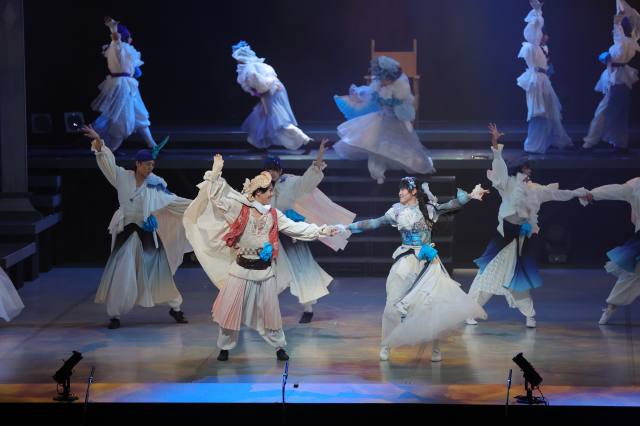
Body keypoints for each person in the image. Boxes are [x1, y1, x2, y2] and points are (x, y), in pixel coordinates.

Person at [183, 154, 341, 361]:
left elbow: (296, 228)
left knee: (270, 313)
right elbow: (217, 199)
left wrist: (322, 231)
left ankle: (279, 347)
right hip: (240, 271)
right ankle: (224, 347)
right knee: (231, 310)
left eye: (272, 190)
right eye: (268, 191)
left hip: (264, 272)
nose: (271, 194)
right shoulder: (240, 209)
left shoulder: (273, 214)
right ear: (258, 193)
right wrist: (215, 172)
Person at [343, 177, 488, 362]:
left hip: (428, 263)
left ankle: (435, 348)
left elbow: (451, 205)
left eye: (404, 189)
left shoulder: (428, 209)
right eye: (399, 189)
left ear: (413, 191)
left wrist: (470, 195)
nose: (400, 192)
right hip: (406, 261)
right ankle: (386, 344)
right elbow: (374, 223)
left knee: (432, 306)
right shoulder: (396, 210)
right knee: (392, 303)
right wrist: (348, 227)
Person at [466, 124, 587, 328]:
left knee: (519, 281)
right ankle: (471, 311)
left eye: (529, 170)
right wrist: (495, 143)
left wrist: (578, 193)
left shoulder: (536, 190)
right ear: (518, 171)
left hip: (521, 239)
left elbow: (557, 194)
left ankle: (530, 315)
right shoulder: (507, 184)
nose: (527, 173)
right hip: (503, 237)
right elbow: (499, 165)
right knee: (487, 274)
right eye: (524, 170)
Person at [82, 125, 192, 329]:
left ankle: (175, 308)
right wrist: (98, 140)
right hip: (127, 232)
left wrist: (200, 206)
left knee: (157, 273)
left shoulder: (155, 184)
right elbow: (107, 162)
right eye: (147, 164)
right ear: (137, 164)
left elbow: (174, 202)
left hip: (146, 232)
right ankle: (115, 314)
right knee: (122, 271)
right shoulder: (122, 177)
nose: (150, 168)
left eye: (152, 164)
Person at [263, 141, 355, 323]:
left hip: (291, 233)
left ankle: (308, 308)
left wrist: (319, 155)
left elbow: (307, 181)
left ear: (279, 169)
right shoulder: (263, 188)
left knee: (302, 270)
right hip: (272, 236)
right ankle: (266, 309)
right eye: (268, 170)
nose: (272, 173)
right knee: (269, 273)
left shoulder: (289, 181)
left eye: (274, 169)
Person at [333, 56, 435, 183]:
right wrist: (360, 93)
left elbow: (404, 108)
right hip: (382, 118)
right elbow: (370, 94)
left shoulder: (400, 89)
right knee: (374, 146)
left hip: (397, 121)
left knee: (400, 147)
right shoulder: (378, 85)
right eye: (381, 79)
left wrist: (392, 103)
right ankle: (377, 173)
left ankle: (419, 165)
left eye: (385, 79)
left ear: (391, 78)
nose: (382, 81)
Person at [232, 41, 316, 152]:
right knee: (261, 118)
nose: (237, 61)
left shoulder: (251, 68)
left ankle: (306, 141)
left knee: (276, 120)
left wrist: (261, 95)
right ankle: (259, 145)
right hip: (271, 91)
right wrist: (259, 93)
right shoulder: (252, 66)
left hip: (271, 92)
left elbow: (262, 85)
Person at [91, 17, 159, 152]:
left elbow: (133, 68)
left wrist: (134, 70)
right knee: (121, 118)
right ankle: (110, 150)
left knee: (139, 114)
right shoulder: (117, 47)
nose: (131, 39)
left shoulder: (125, 49)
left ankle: (152, 145)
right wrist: (113, 28)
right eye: (129, 36)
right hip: (121, 86)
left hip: (128, 85)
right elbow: (116, 41)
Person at [579, 178, 640, 324]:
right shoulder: (636, 185)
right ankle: (611, 306)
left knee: (633, 274)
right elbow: (616, 190)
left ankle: (611, 306)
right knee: (633, 273)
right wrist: (593, 194)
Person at [582, 0, 640, 153]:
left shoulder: (622, 42)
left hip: (617, 78)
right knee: (620, 113)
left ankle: (590, 142)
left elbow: (617, 31)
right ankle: (620, 143)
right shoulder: (632, 43)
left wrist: (617, 16)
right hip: (621, 78)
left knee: (602, 112)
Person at [517, 0, 572, 154]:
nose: (544, 36)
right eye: (542, 33)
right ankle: (533, 144)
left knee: (550, 111)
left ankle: (553, 140)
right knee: (539, 112)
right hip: (536, 81)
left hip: (543, 81)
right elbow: (534, 29)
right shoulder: (530, 47)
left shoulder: (542, 48)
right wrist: (537, 12)